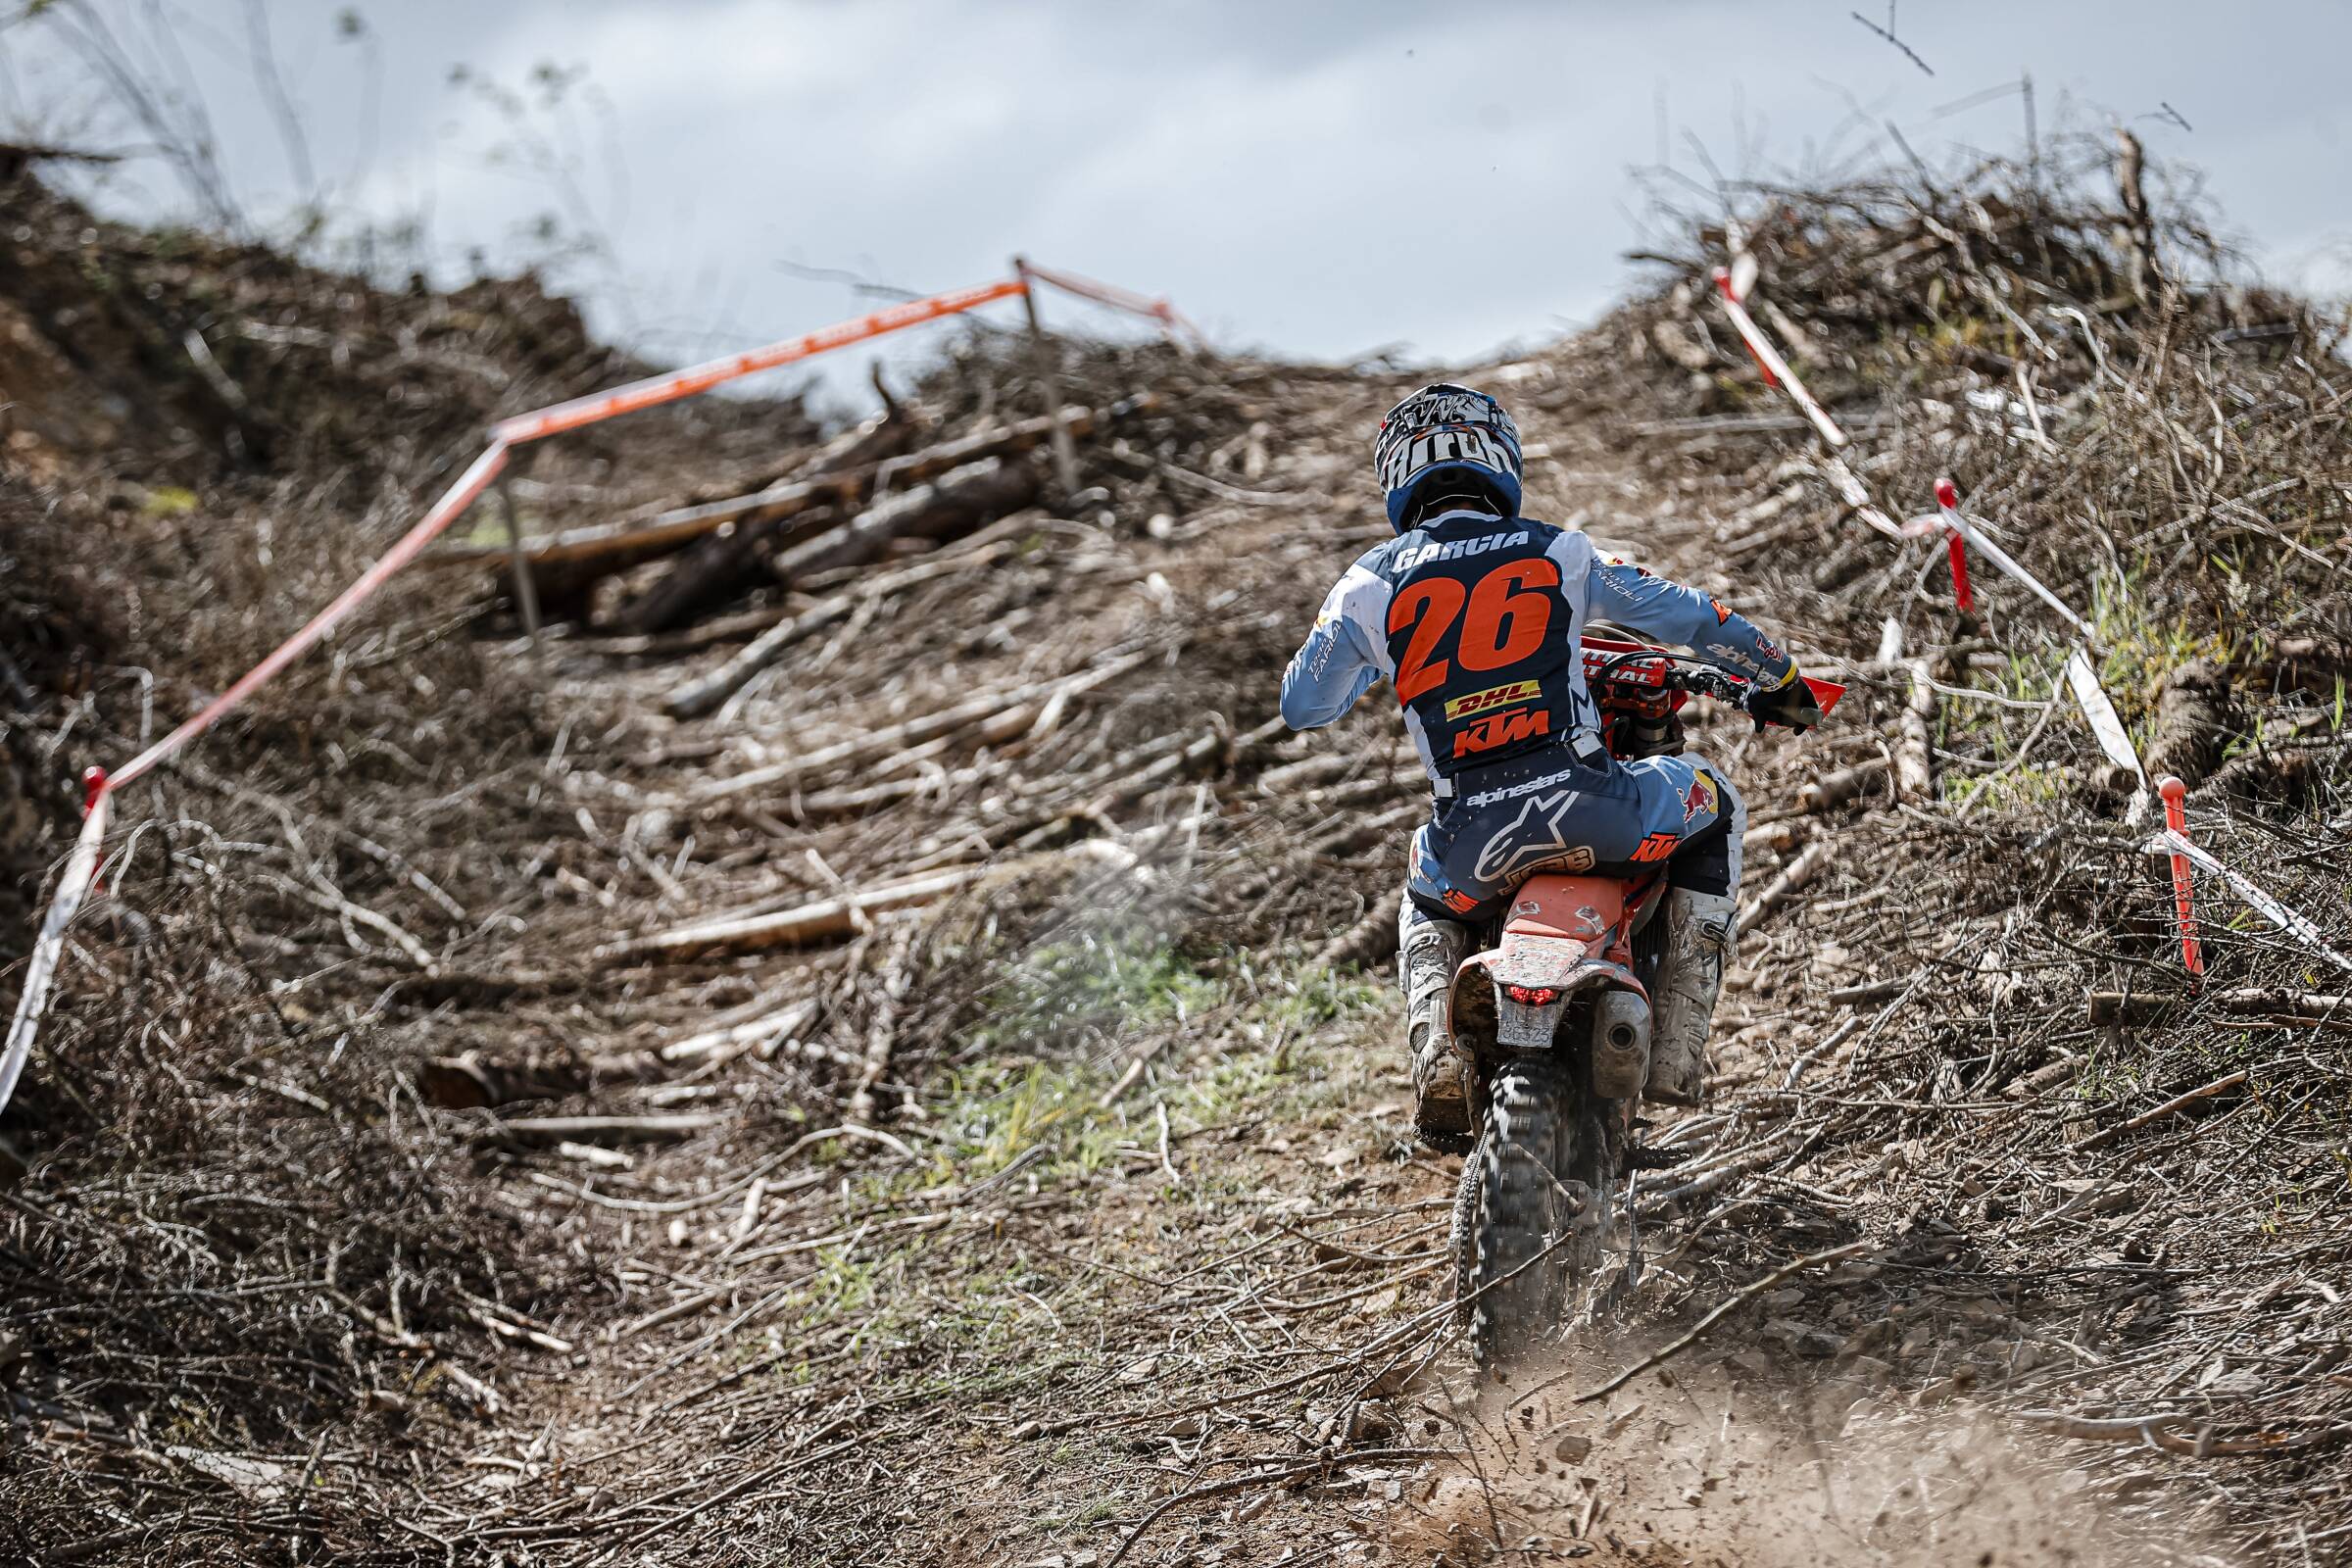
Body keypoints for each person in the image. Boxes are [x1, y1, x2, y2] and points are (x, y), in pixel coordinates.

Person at [1278, 383, 1819, 1143]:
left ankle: (1436, 1051)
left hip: (1471, 848)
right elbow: (1690, 614)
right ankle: (1677, 1050)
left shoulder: (1369, 582)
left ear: (1395, 474)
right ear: (1500, 456)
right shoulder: (1560, 551)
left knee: (1420, 894)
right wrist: (1779, 676)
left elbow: (1303, 704)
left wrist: (1368, 655)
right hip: (1596, 811)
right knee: (1717, 798)